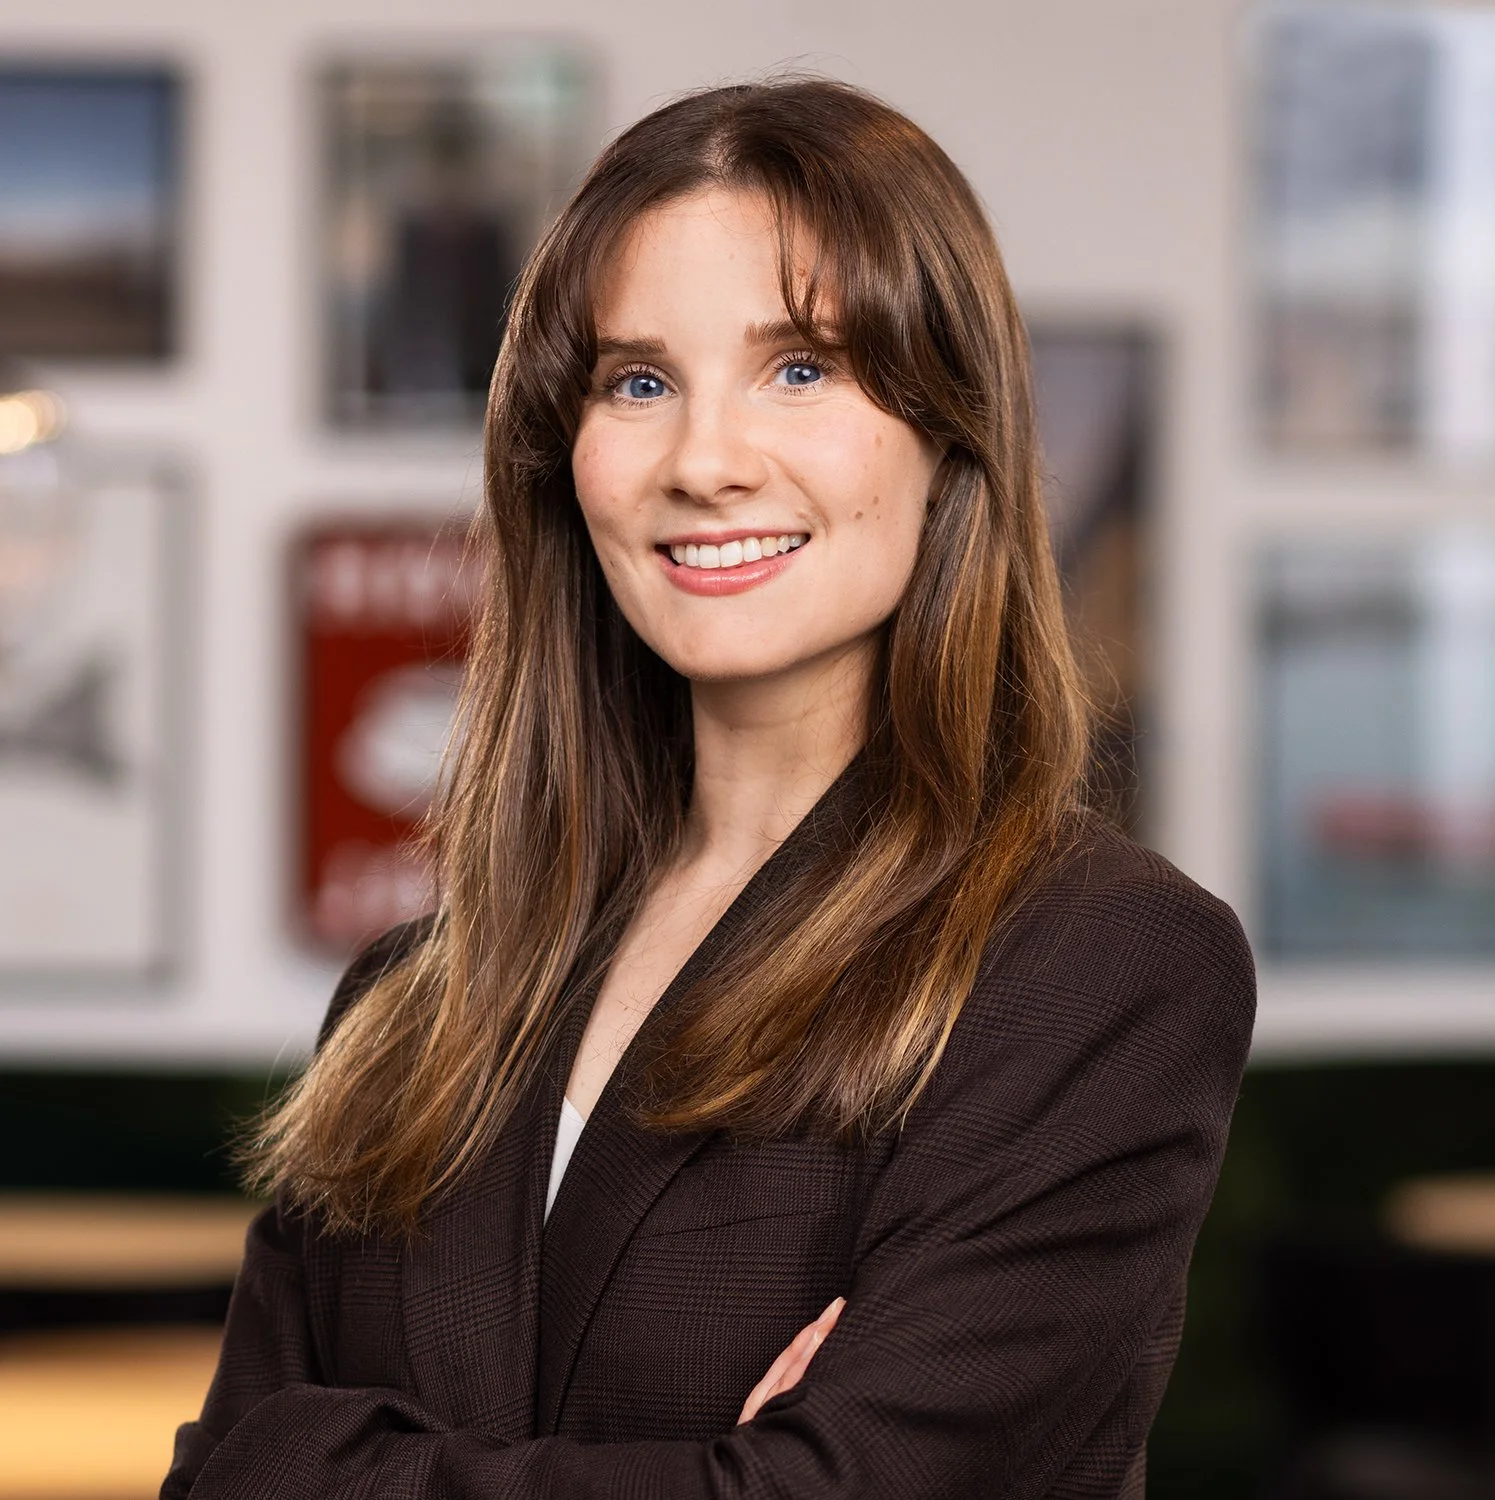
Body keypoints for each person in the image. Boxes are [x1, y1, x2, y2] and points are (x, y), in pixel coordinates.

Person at [163, 77, 1255, 1500]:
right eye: (639, 382)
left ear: (948, 433)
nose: (704, 462)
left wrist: (316, 1466)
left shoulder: (1093, 963)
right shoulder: (411, 1001)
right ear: (564, 456)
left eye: (800, 369)